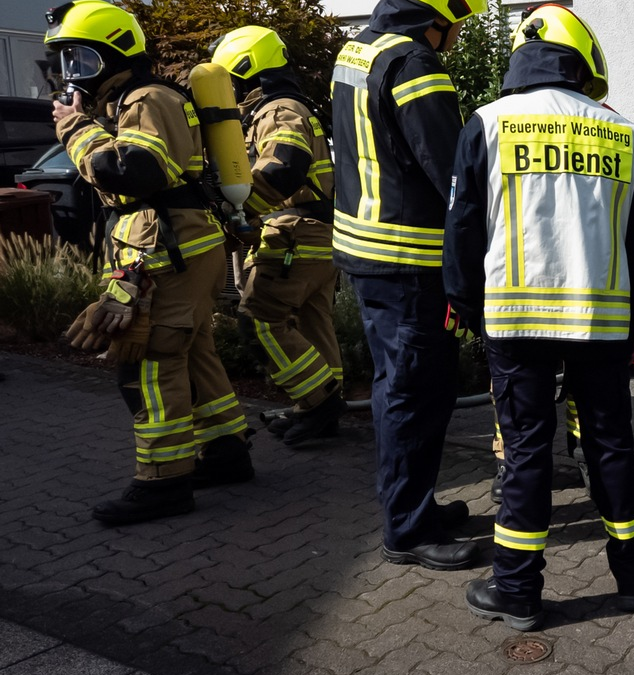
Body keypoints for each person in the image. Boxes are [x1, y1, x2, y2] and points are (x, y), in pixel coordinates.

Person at [443, 3, 634, 631]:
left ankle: (518, 591)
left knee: (527, 451)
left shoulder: (486, 123)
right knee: (612, 445)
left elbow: (460, 227)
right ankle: (632, 578)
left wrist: (462, 303)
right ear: (583, 60)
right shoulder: (622, 132)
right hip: (602, 318)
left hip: (515, 320)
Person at [48, 0, 254, 525]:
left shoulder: (147, 98)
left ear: (112, 54)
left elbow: (133, 170)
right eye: (66, 62)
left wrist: (75, 131)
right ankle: (227, 452)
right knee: (194, 351)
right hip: (180, 245)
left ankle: (163, 483)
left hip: (168, 249)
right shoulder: (136, 100)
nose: (71, 76)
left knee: (148, 364)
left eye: (81, 61)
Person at [330, 0, 484, 570]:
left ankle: (415, 506)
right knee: (414, 394)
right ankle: (409, 530)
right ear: (433, 18)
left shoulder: (358, 50)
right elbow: (453, 172)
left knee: (400, 388)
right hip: (407, 261)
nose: (453, 40)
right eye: (453, 29)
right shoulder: (415, 66)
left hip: (370, 255)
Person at [208, 26, 345, 446]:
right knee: (312, 323)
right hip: (315, 236)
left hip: (295, 235)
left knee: (260, 321)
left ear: (246, 69)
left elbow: (284, 164)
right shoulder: (289, 105)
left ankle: (319, 404)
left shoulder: (277, 110)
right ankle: (319, 408)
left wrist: (240, 208)